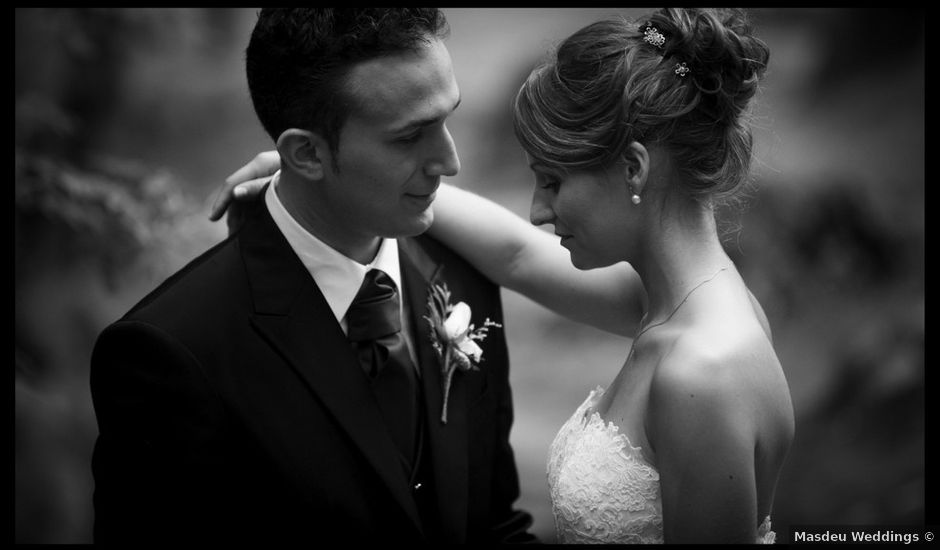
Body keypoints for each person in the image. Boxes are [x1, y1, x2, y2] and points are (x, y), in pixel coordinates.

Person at [216, 7, 796, 545]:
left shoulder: (704, 373)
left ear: (634, 168)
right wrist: (322, 177)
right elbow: (517, 254)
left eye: (552, 181)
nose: (539, 212)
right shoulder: (675, 299)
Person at [90, 8, 540, 544]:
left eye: (448, 118)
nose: (450, 160)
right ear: (306, 153)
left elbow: (494, 525)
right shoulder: (172, 352)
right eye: (410, 136)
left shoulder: (463, 275)